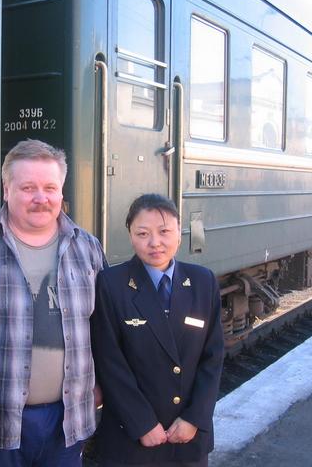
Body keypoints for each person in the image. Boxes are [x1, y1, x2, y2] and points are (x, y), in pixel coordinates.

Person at [0, 139, 106, 467]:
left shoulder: (87, 248)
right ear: (7, 189)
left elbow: (103, 326)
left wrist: (103, 383)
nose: (40, 198)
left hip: (68, 420)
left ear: (61, 191)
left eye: (49, 187)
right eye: (28, 187)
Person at [90, 194, 224, 467]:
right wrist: (142, 423)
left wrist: (194, 418)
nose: (155, 243)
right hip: (130, 437)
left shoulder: (203, 282)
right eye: (143, 233)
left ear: (179, 232)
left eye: (165, 232)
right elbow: (109, 362)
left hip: (186, 438)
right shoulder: (111, 284)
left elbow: (213, 358)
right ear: (130, 235)